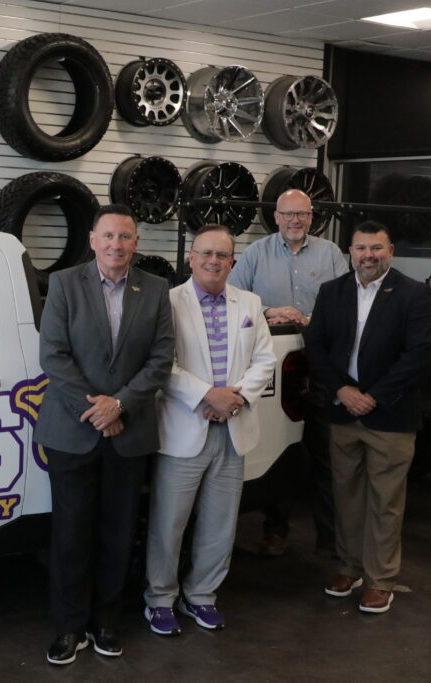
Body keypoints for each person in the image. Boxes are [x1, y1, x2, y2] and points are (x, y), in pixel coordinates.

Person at [35, 204, 174, 665]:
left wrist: (121, 405)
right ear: (93, 239)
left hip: (129, 432)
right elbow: (53, 356)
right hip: (73, 432)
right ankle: (69, 628)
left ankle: (105, 623)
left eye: (126, 237)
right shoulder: (64, 284)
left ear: (136, 243)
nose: (117, 245)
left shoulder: (155, 290)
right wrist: (98, 411)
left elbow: (161, 358)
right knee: (71, 533)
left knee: (118, 533)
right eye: (108, 236)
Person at [143, 224, 275, 635]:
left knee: (221, 523)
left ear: (232, 262)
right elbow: (161, 363)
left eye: (222, 255)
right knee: (169, 523)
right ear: (191, 257)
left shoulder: (250, 302)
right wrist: (207, 396)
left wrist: (235, 398)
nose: (214, 261)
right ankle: (160, 599)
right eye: (206, 254)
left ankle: (201, 595)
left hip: (233, 430)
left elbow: (265, 360)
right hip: (185, 429)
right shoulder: (167, 302)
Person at [303, 221, 431, 614]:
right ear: (351, 251)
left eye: (376, 248)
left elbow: (418, 354)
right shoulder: (332, 292)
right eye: (361, 248)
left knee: (385, 502)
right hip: (343, 413)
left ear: (390, 251)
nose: (368, 256)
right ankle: (349, 566)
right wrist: (342, 390)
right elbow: (317, 345)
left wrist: (373, 397)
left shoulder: (413, 295)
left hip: (390, 416)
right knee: (346, 496)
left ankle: (381, 580)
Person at [228, 189, 349, 557]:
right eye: (288, 214)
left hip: (322, 364)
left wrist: (307, 319)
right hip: (275, 366)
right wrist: (268, 313)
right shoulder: (256, 253)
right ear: (276, 217)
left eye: (302, 214)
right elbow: (233, 297)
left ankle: (329, 538)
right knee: (277, 445)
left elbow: (346, 303)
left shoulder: (330, 254)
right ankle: (275, 529)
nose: (295, 220)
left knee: (325, 450)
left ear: (312, 218)